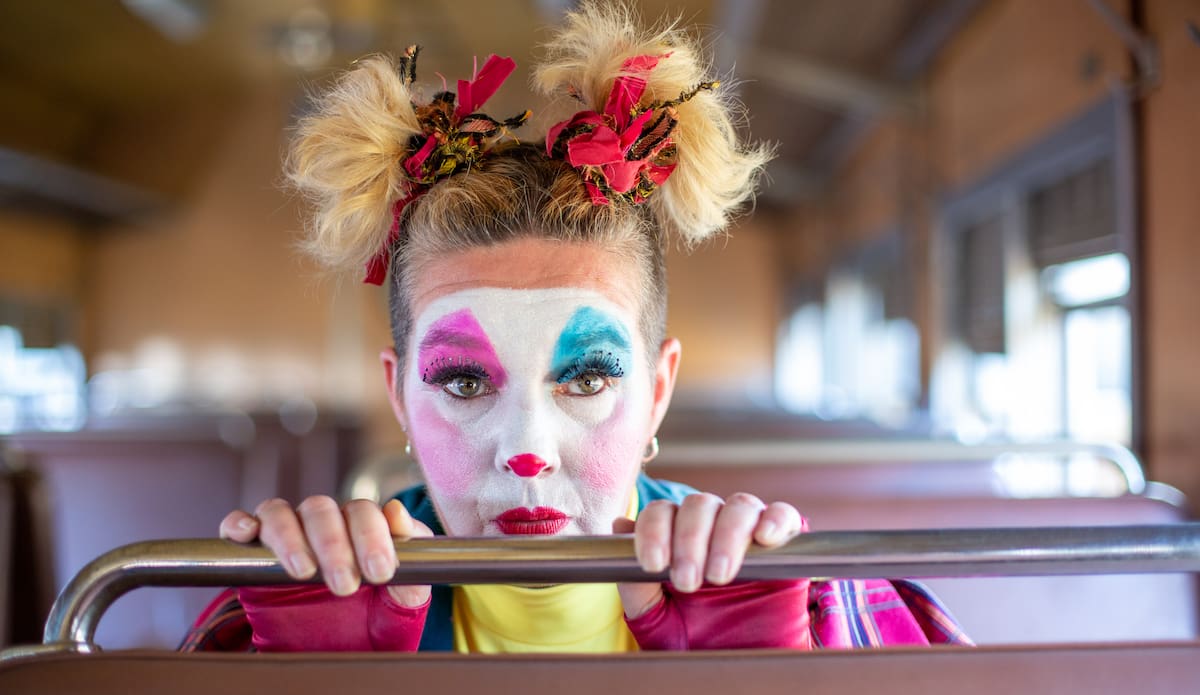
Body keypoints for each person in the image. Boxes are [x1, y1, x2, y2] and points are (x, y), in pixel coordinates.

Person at [194, 1, 968, 654]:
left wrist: (779, 691)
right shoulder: (273, 613)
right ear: (399, 399)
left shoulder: (814, 603)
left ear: (657, 391)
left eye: (588, 377)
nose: (526, 451)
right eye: (463, 382)